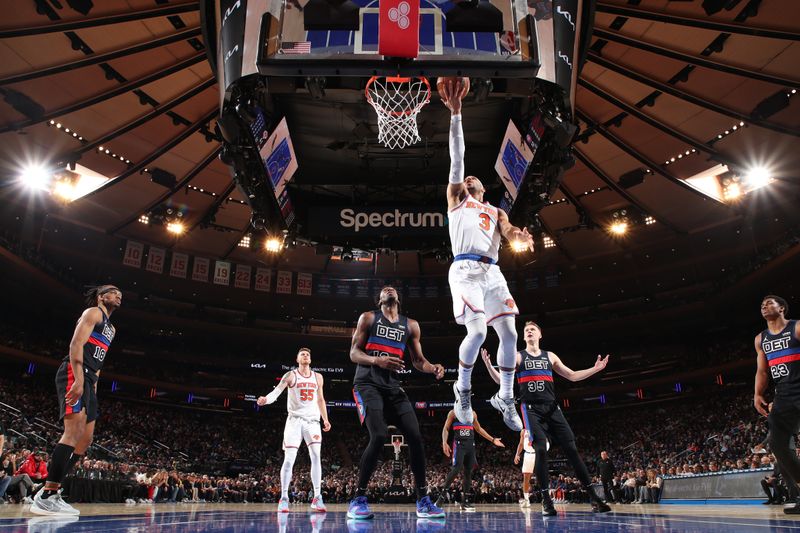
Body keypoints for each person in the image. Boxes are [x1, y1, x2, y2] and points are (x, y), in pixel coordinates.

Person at [440, 79, 534, 433]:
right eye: (466, 178)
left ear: (484, 188)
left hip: (492, 272)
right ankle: (462, 389)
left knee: (509, 333)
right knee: (478, 332)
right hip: (464, 270)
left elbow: (508, 233)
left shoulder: (495, 211)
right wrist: (456, 115)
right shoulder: (456, 198)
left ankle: (505, 397)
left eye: (474, 178)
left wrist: (518, 235)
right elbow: (457, 157)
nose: (469, 177)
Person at [482, 322, 612, 515]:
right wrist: (487, 365)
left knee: (572, 450)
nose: (529, 331)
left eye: (533, 329)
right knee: (540, 450)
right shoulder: (517, 356)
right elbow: (502, 380)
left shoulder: (550, 356)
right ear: (524, 337)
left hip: (552, 407)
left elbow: (572, 375)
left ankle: (594, 497)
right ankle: (546, 501)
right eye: (526, 330)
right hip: (531, 409)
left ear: (540, 334)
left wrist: (595, 369)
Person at [348, 286, 446, 520]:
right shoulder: (369, 318)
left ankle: (423, 500)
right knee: (379, 435)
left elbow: (418, 361)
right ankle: (358, 498)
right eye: (384, 290)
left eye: (392, 289)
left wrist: (433, 368)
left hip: (393, 387)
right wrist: (376, 360)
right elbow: (353, 353)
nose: (389, 289)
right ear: (380, 299)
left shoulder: (410, 325)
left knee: (414, 435)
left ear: (398, 298)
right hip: (367, 384)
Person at [31, 285, 121, 516]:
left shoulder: (112, 328)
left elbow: (99, 363)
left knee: (85, 440)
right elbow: (75, 344)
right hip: (74, 371)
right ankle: (49, 494)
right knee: (72, 432)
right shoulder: (93, 313)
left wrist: (93, 388)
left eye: (120, 293)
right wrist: (79, 379)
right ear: (102, 297)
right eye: (113, 291)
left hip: (91, 378)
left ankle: (48, 488)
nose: (118, 295)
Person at [257, 347, 332, 513]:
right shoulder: (290, 375)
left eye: (308, 354)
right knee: (289, 459)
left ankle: (317, 497)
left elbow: (320, 399)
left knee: (316, 457)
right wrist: (266, 400)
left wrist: (325, 419)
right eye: (302, 354)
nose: (305, 356)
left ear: (310, 360)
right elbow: (277, 392)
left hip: (312, 421)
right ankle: (284, 497)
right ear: (297, 358)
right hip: (294, 421)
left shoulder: (318, 377)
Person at [754, 295, 800, 514]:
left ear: (782, 308)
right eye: (762, 304)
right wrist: (757, 394)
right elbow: (762, 370)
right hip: (783, 394)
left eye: (769, 303)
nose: (764, 306)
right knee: (778, 444)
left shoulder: (797, 327)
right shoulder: (760, 339)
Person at [436, 408, 504, 511]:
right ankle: (441, 498)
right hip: (459, 445)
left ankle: (465, 502)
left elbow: (479, 429)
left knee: (468, 472)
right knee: (456, 468)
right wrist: (444, 442)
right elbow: (445, 428)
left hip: (470, 446)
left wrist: (493, 439)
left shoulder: (473, 413)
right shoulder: (453, 412)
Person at [513, 427, 548, 507]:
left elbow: (545, 442)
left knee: (542, 477)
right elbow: (521, 444)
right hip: (527, 455)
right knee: (526, 478)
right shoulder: (523, 431)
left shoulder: (538, 427)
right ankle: (526, 500)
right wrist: (517, 454)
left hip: (538, 454)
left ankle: (546, 498)